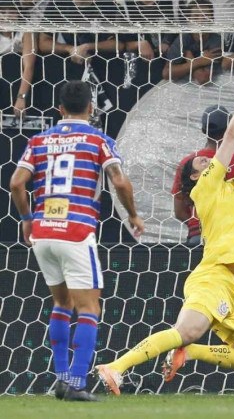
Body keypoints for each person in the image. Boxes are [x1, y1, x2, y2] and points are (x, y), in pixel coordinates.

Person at [96, 79, 234, 395]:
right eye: (202, 161)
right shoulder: (206, 188)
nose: (209, 158)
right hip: (212, 277)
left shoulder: (233, 190)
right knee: (187, 329)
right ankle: (115, 368)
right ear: (194, 175)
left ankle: (192, 353)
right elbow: (230, 138)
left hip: (230, 288)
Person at [9, 80, 144, 401]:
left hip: (43, 231)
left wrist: (28, 220)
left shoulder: (39, 140)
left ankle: (62, 377)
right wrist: (134, 215)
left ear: (59, 109)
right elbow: (120, 181)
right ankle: (76, 382)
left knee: (61, 303)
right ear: (91, 109)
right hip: (76, 230)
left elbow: (16, 183)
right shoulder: (98, 139)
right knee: (89, 308)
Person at [171, 105, 234, 246]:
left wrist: (200, 224)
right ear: (229, 127)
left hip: (198, 236)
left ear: (204, 130)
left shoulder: (189, 163)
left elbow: (179, 211)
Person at [163, 0, 225, 84]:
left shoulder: (216, 40)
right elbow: (166, 74)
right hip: (180, 85)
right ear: (188, 21)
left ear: (212, 20)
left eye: (206, 16)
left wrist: (188, 56)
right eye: (196, 17)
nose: (201, 21)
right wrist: (200, 61)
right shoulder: (183, 38)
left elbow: (203, 78)